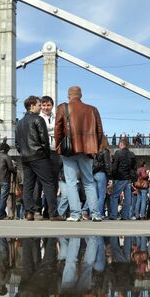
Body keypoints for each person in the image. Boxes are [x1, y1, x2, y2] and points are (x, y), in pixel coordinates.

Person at [54, 86, 105, 221]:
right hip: (87, 150)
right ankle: (95, 214)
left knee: (71, 182)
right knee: (89, 182)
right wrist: (96, 147)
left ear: (68, 95)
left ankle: (75, 214)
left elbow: (58, 129)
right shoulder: (92, 109)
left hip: (69, 150)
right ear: (81, 95)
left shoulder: (63, 108)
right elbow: (100, 131)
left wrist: (58, 145)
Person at [15, 96, 63, 221]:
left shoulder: (19, 122)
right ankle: (53, 213)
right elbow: (44, 140)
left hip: (25, 158)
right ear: (32, 106)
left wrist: (24, 153)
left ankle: (29, 212)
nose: (40, 107)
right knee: (49, 183)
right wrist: (46, 154)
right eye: (38, 104)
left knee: (28, 185)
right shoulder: (38, 119)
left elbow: (17, 143)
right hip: (39, 156)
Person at [109, 138, 136, 220]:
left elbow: (114, 167)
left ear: (121, 144)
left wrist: (112, 177)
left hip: (120, 177)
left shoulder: (118, 153)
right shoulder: (132, 154)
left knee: (114, 196)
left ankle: (113, 215)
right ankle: (125, 215)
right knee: (128, 198)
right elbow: (134, 167)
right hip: (128, 179)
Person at [0, 142, 15, 220]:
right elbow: (11, 168)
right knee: (3, 198)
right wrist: (15, 170)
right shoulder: (6, 156)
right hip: (5, 179)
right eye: (8, 150)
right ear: (6, 149)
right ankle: (0, 215)